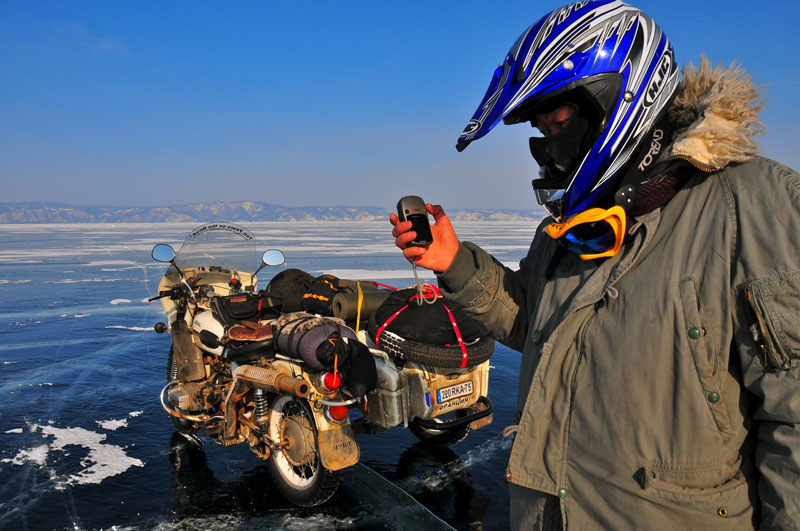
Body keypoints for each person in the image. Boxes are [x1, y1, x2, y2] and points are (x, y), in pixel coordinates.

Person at [390, 1, 800, 529]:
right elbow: (536, 321)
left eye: (557, 118)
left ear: (618, 98)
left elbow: (791, 422)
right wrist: (454, 263)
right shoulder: (573, 228)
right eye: (538, 125)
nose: (547, 144)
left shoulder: (755, 208)